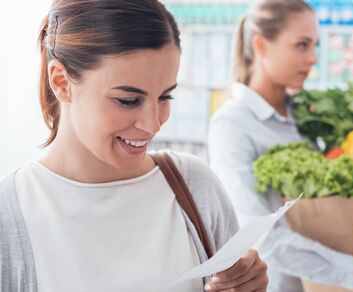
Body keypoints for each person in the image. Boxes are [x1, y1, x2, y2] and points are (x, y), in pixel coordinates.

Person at [0, 1, 269, 291]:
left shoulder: (195, 186)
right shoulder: (10, 216)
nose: (153, 124)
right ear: (61, 82)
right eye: (128, 101)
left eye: (165, 97)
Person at [208, 0, 353, 291]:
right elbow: (258, 235)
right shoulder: (233, 124)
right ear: (261, 46)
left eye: (316, 46)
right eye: (302, 45)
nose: (312, 58)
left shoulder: (303, 114)